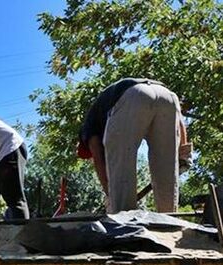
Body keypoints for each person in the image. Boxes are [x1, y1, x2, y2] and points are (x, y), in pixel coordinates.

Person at [77, 78, 191, 213]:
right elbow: (179, 121)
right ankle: (170, 223)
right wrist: (183, 152)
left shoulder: (88, 129)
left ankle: (123, 222)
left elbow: (99, 160)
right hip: (168, 96)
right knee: (167, 170)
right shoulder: (101, 109)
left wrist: (110, 195)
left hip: (133, 95)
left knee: (121, 172)